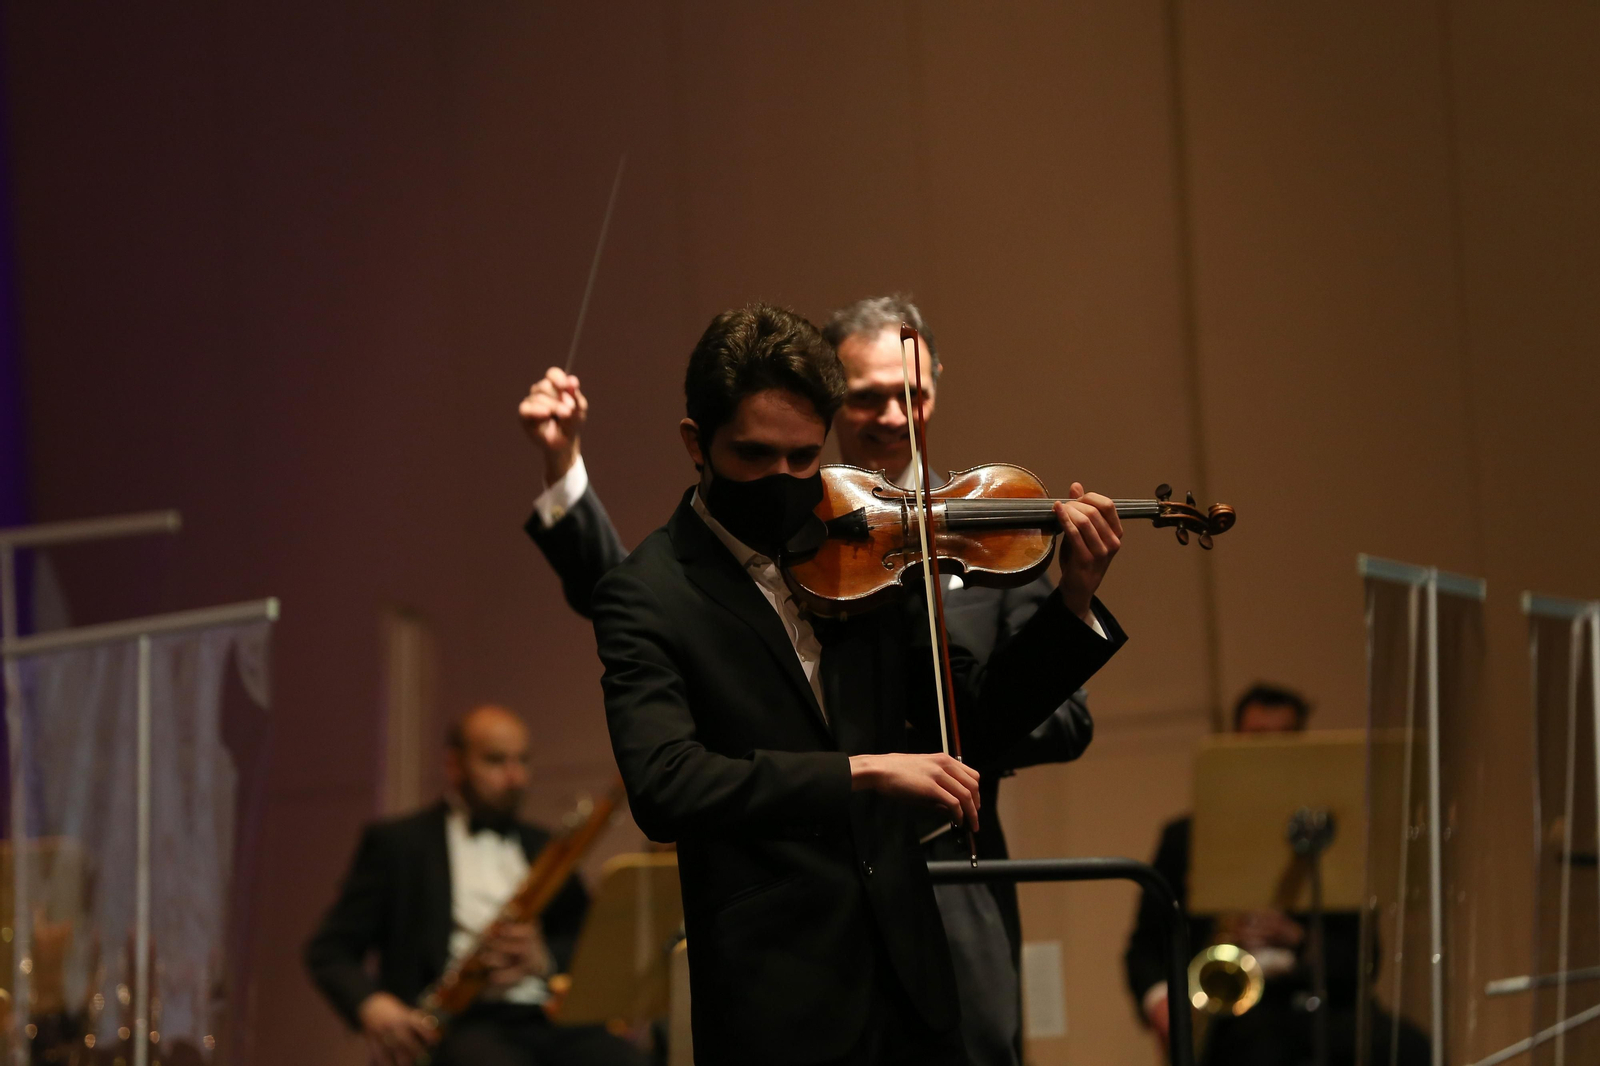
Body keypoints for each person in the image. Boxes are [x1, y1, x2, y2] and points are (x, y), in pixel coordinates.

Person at [518, 295, 1097, 1066]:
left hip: (913, 988)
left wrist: (1074, 599)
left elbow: (977, 726)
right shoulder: (650, 591)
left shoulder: (861, 554)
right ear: (698, 442)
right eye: (755, 456)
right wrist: (860, 773)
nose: (785, 479)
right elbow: (667, 784)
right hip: (778, 1003)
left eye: (803, 457)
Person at [305, 705, 648, 1066]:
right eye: (496, 761)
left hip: (546, 1016)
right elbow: (330, 950)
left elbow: (588, 942)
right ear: (455, 766)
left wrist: (542, 958)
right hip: (457, 1026)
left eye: (523, 761)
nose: (515, 777)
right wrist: (374, 1007)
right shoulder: (400, 844)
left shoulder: (546, 846)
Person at [1123, 685, 1428, 1066]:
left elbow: (1364, 961)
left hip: (1323, 1007)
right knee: (1259, 1051)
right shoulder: (1186, 838)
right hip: (1231, 1019)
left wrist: (1298, 939)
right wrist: (1160, 1004)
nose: (1267, 755)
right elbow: (1144, 948)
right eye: (1256, 741)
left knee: (1410, 1049)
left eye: (1283, 741)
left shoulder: (1332, 837)